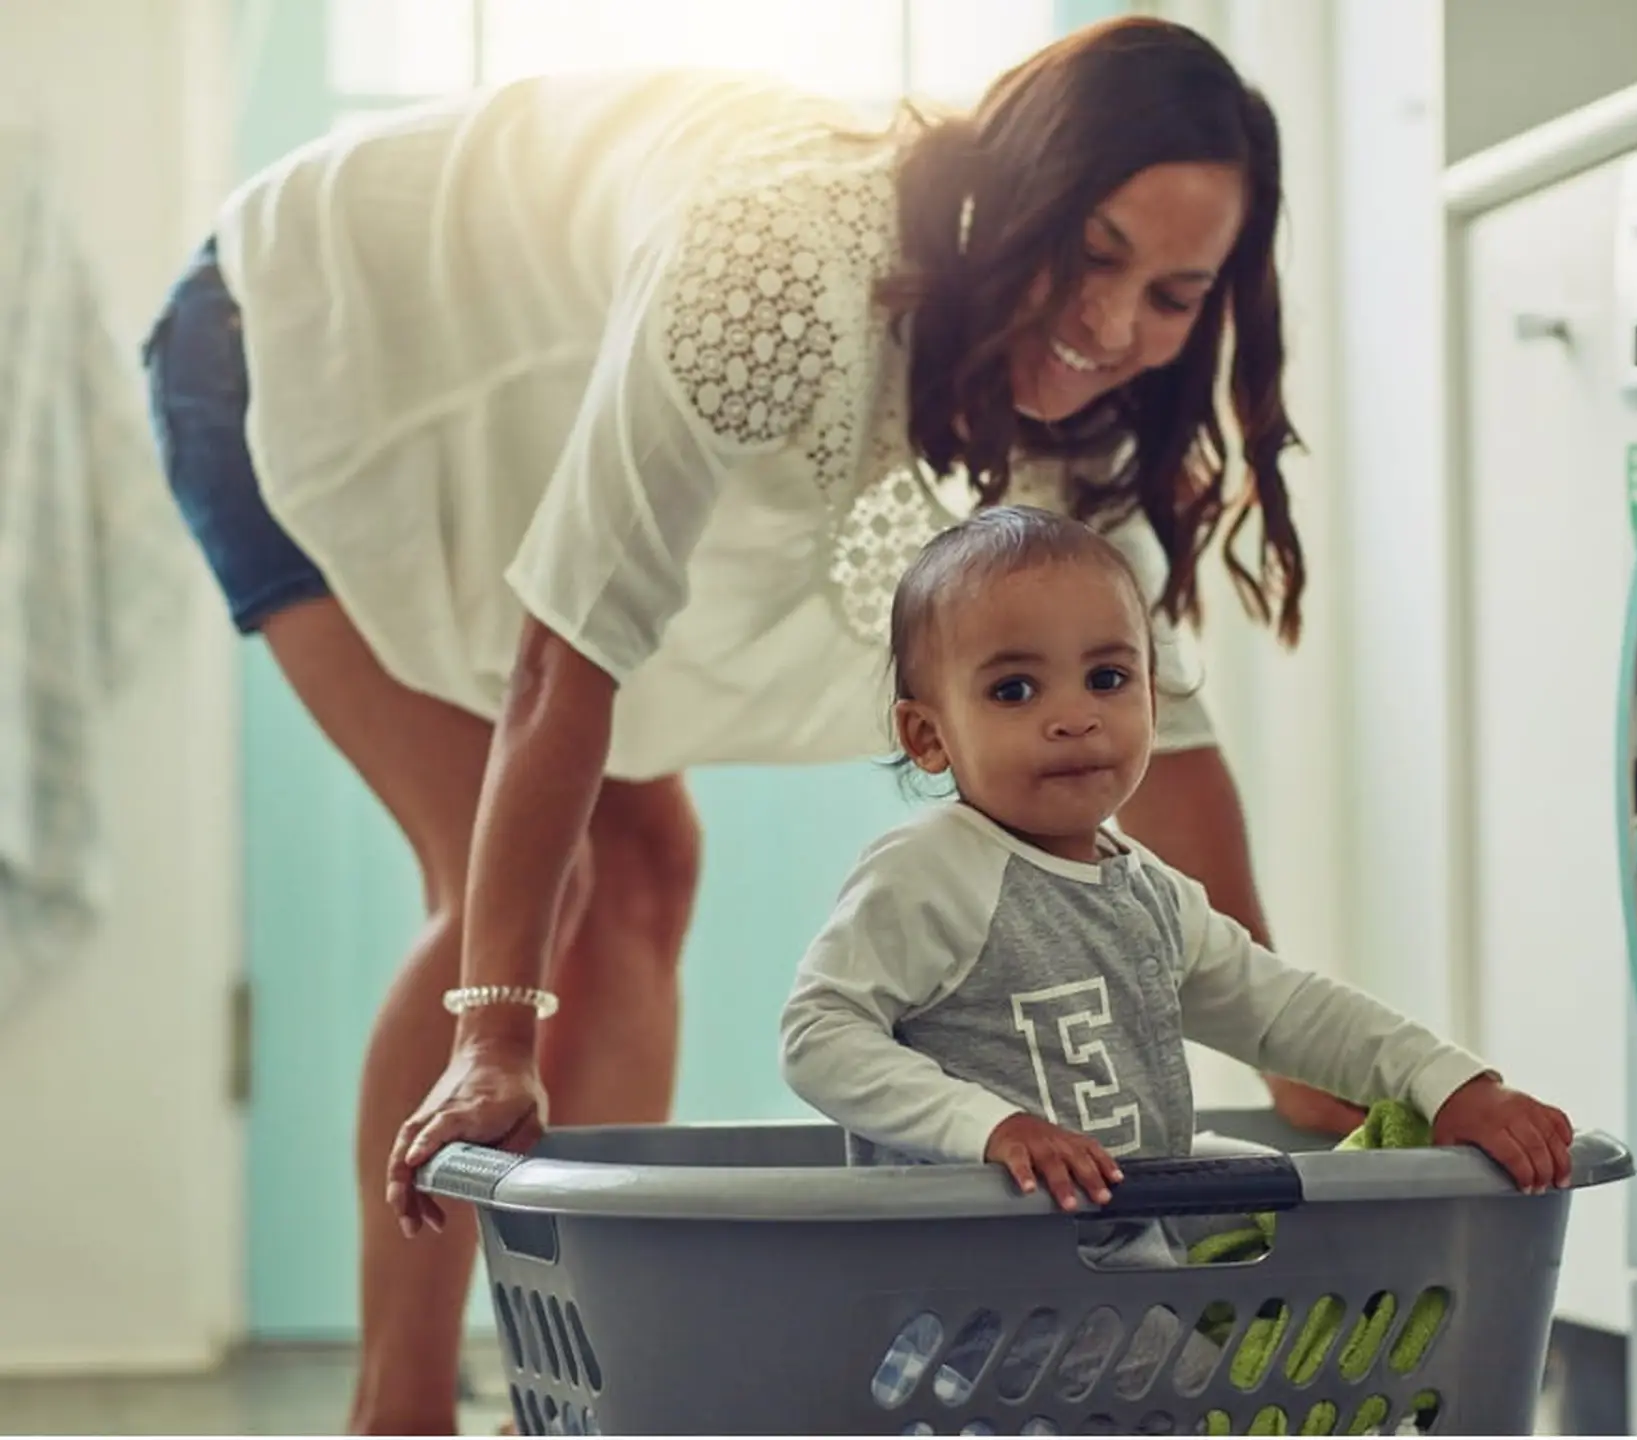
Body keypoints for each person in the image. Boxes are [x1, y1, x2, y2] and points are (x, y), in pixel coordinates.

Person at [144, 17, 1357, 1434]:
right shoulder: (778, 269)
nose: (1114, 325)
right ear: (1012, 193)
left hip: (528, 423)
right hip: (304, 353)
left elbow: (1169, 744)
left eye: (1172, 292)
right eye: (1090, 252)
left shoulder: (1086, 405)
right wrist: (493, 1041)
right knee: (523, 902)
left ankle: (597, 1394)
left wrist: (1304, 1066)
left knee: (647, 868)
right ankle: (394, 1413)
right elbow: (563, 666)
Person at [780, 506, 1573, 1419]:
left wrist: (1449, 1083)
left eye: (1107, 677)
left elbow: (1279, 1009)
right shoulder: (932, 872)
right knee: (1222, 1405)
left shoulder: (1143, 890)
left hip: (1125, 1247)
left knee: (1295, 1219)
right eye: (1013, 692)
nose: (1074, 717)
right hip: (993, 1288)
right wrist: (990, 1127)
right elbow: (818, 1034)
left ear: (1154, 697)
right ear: (928, 737)